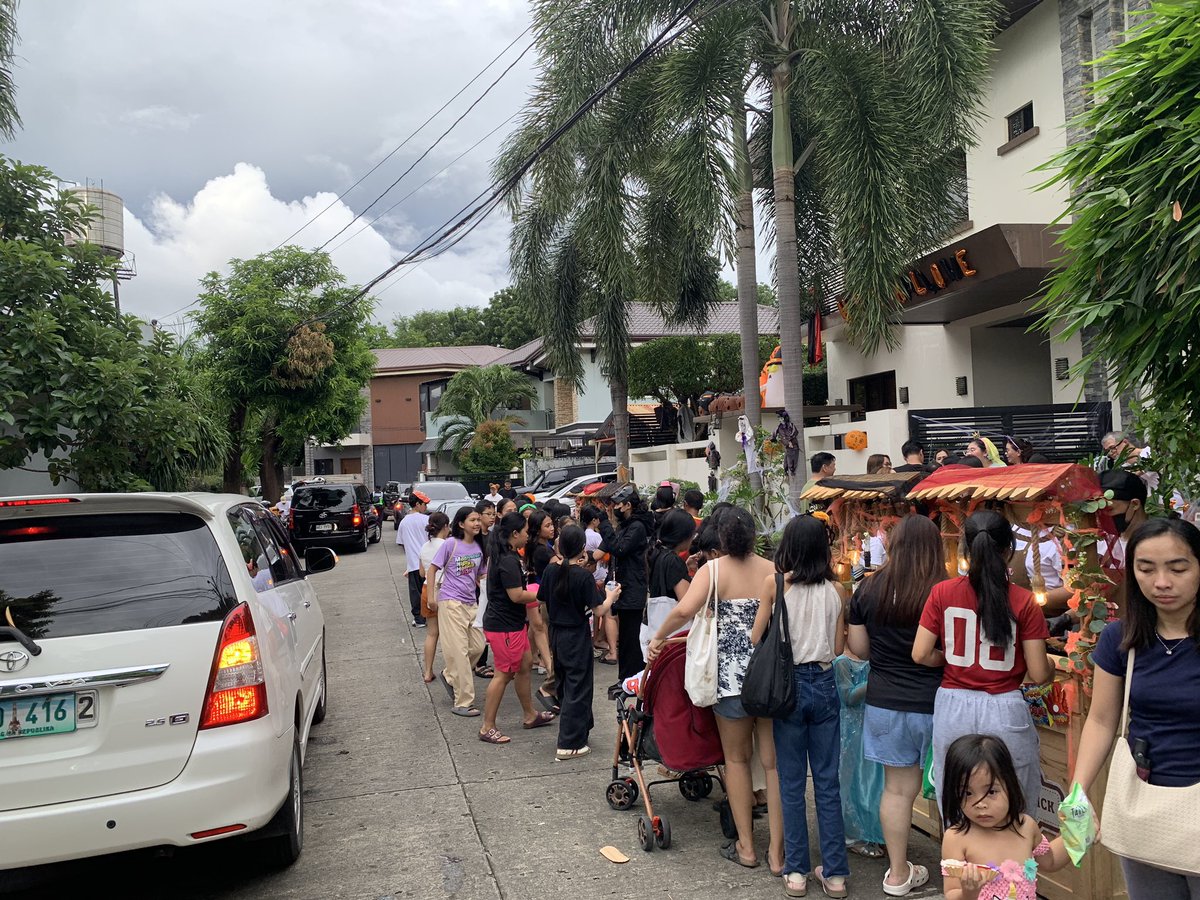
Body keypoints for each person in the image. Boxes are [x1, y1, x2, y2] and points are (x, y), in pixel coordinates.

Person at [650, 508, 783, 877]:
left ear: (720, 539)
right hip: (770, 680)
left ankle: (747, 847)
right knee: (773, 766)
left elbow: (684, 611)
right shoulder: (773, 570)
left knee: (736, 762)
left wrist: (659, 638)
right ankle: (778, 852)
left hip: (729, 682)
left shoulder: (713, 571)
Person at [1072, 518, 1200, 898]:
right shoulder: (1120, 638)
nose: (1162, 582)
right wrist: (1077, 794)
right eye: (1146, 569)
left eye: (1178, 568)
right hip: (1142, 808)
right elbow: (1100, 719)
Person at [912, 509, 1053, 815]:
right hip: (1005, 708)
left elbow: (920, 653)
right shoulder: (1024, 601)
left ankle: (960, 862)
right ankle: (1014, 864)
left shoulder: (942, 593)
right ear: (1008, 549)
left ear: (966, 548)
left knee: (956, 801)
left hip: (953, 706)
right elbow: (1040, 672)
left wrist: (948, 659)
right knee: (1013, 803)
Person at [847, 515, 945, 896]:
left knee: (897, 792)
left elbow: (859, 650)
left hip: (886, 702)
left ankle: (898, 874)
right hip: (938, 702)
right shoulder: (946, 588)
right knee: (949, 791)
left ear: (893, 545)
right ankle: (956, 868)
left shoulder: (867, 590)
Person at [753, 514, 849, 898]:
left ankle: (796, 872)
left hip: (789, 688)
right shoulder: (838, 590)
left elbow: (757, 635)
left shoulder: (775, 585)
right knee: (828, 783)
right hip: (825, 685)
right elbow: (840, 648)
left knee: (791, 783)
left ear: (789, 547)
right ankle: (837, 875)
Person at [939, 734, 1069, 900]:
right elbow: (951, 893)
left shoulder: (1026, 826)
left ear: (1010, 784)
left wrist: (1078, 833)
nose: (980, 803)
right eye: (967, 793)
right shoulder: (956, 838)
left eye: (991, 792)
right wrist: (969, 892)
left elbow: (1050, 861)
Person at [542, 526, 621, 760]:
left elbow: (542, 602)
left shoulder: (550, 571)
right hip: (575, 634)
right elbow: (599, 609)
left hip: (556, 632)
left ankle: (579, 731)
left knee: (565, 683)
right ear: (583, 549)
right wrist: (611, 597)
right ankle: (569, 742)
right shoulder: (582, 576)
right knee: (578, 686)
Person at [478, 512, 556, 743]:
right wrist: (544, 594)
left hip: (512, 625)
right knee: (503, 674)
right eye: (524, 531)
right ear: (514, 534)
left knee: (524, 666)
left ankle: (530, 714)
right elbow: (516, 595)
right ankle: (487, 727)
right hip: (504, 628)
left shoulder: (508, 555)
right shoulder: (508, 560)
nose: (527, 535)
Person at [428, 506, 488, 717]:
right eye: (473, 520)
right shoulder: (451, 544)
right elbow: (433, 568)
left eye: (478, 520)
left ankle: (450, 676)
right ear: (461, 524)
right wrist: (430, 598)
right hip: (451, 603)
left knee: (478, 647)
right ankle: (463, 702)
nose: (477, 523)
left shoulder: (480, 547)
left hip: (471, 603)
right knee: (460, 653)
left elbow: (481, 576)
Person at [597, 485, 657, 680]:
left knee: (631, 638)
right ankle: (626, 678)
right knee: (627, 637)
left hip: (633, 587)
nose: (614, 509)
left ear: (628, 505)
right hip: (626, 586)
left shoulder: (637, 527)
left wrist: (605, 524)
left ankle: (631, 678)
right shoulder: (629, 525)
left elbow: (619, 549)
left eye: (617, 505)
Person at [833, 653, 885, 863]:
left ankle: (873, 832)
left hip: (872, 726)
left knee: (873, 783)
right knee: (853, 782)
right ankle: (853, 835)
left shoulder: (872, 660)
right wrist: (876, 681)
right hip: (851, 728)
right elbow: (848, 697)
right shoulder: (842, 662)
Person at [525, 510, 558, 709]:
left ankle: (534, 661)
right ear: (538, 530)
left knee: (535, 629)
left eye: (552, 524)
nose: (552, 528)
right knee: (542, 629)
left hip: (535, 592)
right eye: (547, 526)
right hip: (542, 595)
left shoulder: (539, 546)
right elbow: (561, 568)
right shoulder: (543, 551)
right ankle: (547, 666)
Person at [580, 505, 617, 666]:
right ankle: (605, 645)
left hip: (588, 576)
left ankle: (597, 640)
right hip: (599, 577)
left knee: (592, 612)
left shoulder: (581, 535)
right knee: (604, 612)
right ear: (595, 520)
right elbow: (604, 555)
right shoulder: (596, 536)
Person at [418, 512, 451, 685]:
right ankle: (450, 670)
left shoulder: (424, 546)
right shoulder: (447, 545)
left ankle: (427, 672)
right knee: (449, 634)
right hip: (444, 591)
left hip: (426, 590)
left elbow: (422, 572)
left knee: (432, 634)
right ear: (445, 527)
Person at [1100, 468, 1149, 567]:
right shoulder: (1102, 543)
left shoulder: (1158, 542)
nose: (1105, 516)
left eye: (1109, 510)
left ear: (1135, 504)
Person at [398, 490, 432, 627]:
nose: (426, 507)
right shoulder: (427, 520)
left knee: (416, 592)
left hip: (413, 564)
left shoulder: (404, 522)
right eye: (424, 504)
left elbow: (401, 543)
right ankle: (433, 615)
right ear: (417, 504)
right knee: (431, 590)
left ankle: (419, 619)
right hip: (429, 563)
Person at [473, 499, 497, 679]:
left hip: (487, 585)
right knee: (476, 623)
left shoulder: (493, 536)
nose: (492, 517)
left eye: (494, 514)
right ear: (479, 515)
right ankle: (478, 662)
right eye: (488, 514)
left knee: (484, 622)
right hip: (472, 586)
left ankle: (481, 661)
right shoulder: (472, 537)